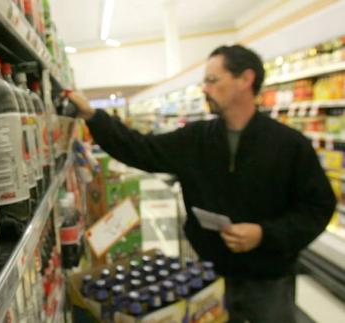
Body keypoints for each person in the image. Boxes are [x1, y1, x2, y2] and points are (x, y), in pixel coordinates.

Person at [69, 44, 335, 323]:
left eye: (212, 80)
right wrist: (93, 116)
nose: (204, 89)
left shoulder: (289, 145)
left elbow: (318, 208)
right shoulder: (196, 140)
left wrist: (264, 234)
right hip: (209, 275)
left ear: (246, 79)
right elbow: (141, 149)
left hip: (269, 281)